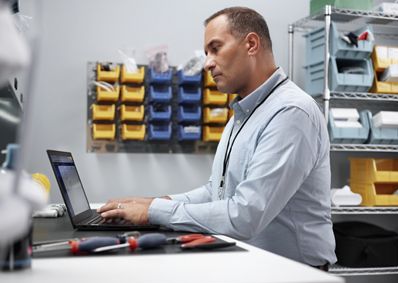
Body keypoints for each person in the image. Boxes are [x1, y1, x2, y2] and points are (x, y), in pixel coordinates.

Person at [98, 6, 337, 268]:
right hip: (258, 268)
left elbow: (245, 215)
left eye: (216, 48)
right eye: (206, 53)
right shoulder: (243, 113)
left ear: (251, 44)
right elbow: (218, 192)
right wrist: (157, 203)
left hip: (297, 277)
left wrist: (154, 212)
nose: (208, 63)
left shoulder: (291, 113)